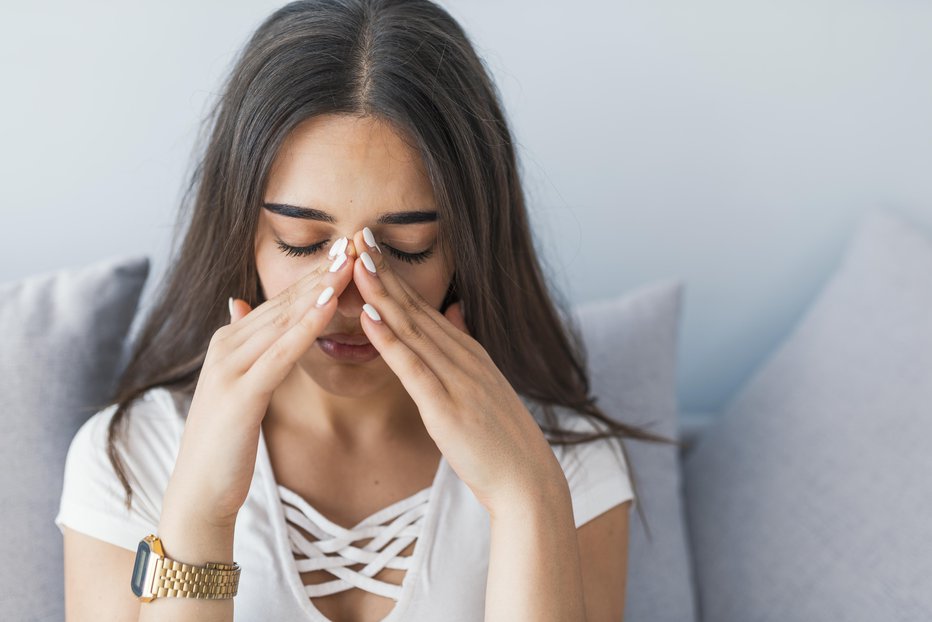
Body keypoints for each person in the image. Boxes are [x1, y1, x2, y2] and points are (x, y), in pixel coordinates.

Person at [56, 1, 679, 620]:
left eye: (407, 248)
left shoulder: (566, 466)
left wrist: (528, 502)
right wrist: (198, 512)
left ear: (467, 245)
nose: (349, 296)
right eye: (302, 242)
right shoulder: (130, 456)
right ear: (243, 230)